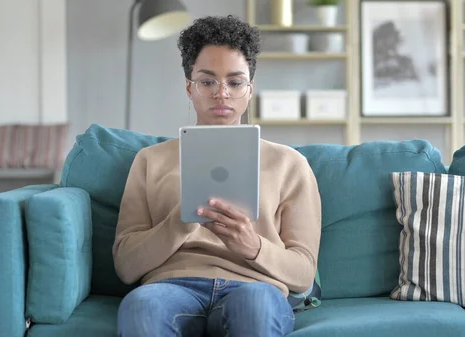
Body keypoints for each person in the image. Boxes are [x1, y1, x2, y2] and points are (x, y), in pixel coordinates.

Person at [113, 15, 322, 337]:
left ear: (249, 90)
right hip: (171, 286)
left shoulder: (289, 163)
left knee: (255, 305)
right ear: (189, 87)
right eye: (207, 81)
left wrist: (252, 245)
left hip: (255, 286)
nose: (221, 93)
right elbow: (126, 267)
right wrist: (180, 221)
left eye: (235, 82)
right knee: (143, 305)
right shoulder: (150, 161)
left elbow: (303, 274)